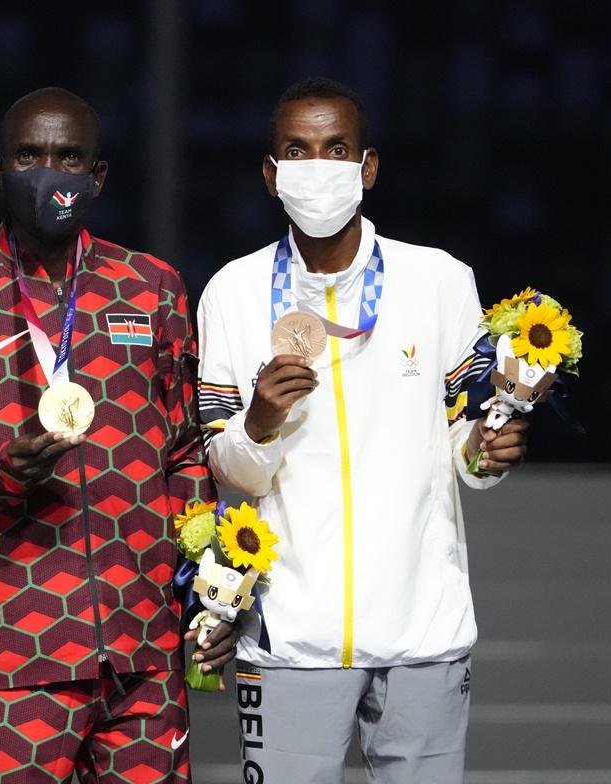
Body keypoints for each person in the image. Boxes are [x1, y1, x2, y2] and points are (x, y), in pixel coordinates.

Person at [195, 77, 530, 783]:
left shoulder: (438, 280)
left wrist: (490, 452)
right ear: (270, 173)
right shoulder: (233, 291)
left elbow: (469, 450)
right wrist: (258, 422)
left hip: (423, 635)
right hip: (290, 640)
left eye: (335, 149)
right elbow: (230, 469)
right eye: (297, 150)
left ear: (367, 167)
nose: (318, 167)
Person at [0, 87, 218, 783]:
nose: (50, 171)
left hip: (146, 653)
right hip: (14, 654)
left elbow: (186, 448)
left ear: (96, 177)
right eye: (29, 155)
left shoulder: (151, 288)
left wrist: (199, 578)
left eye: (69, 157)